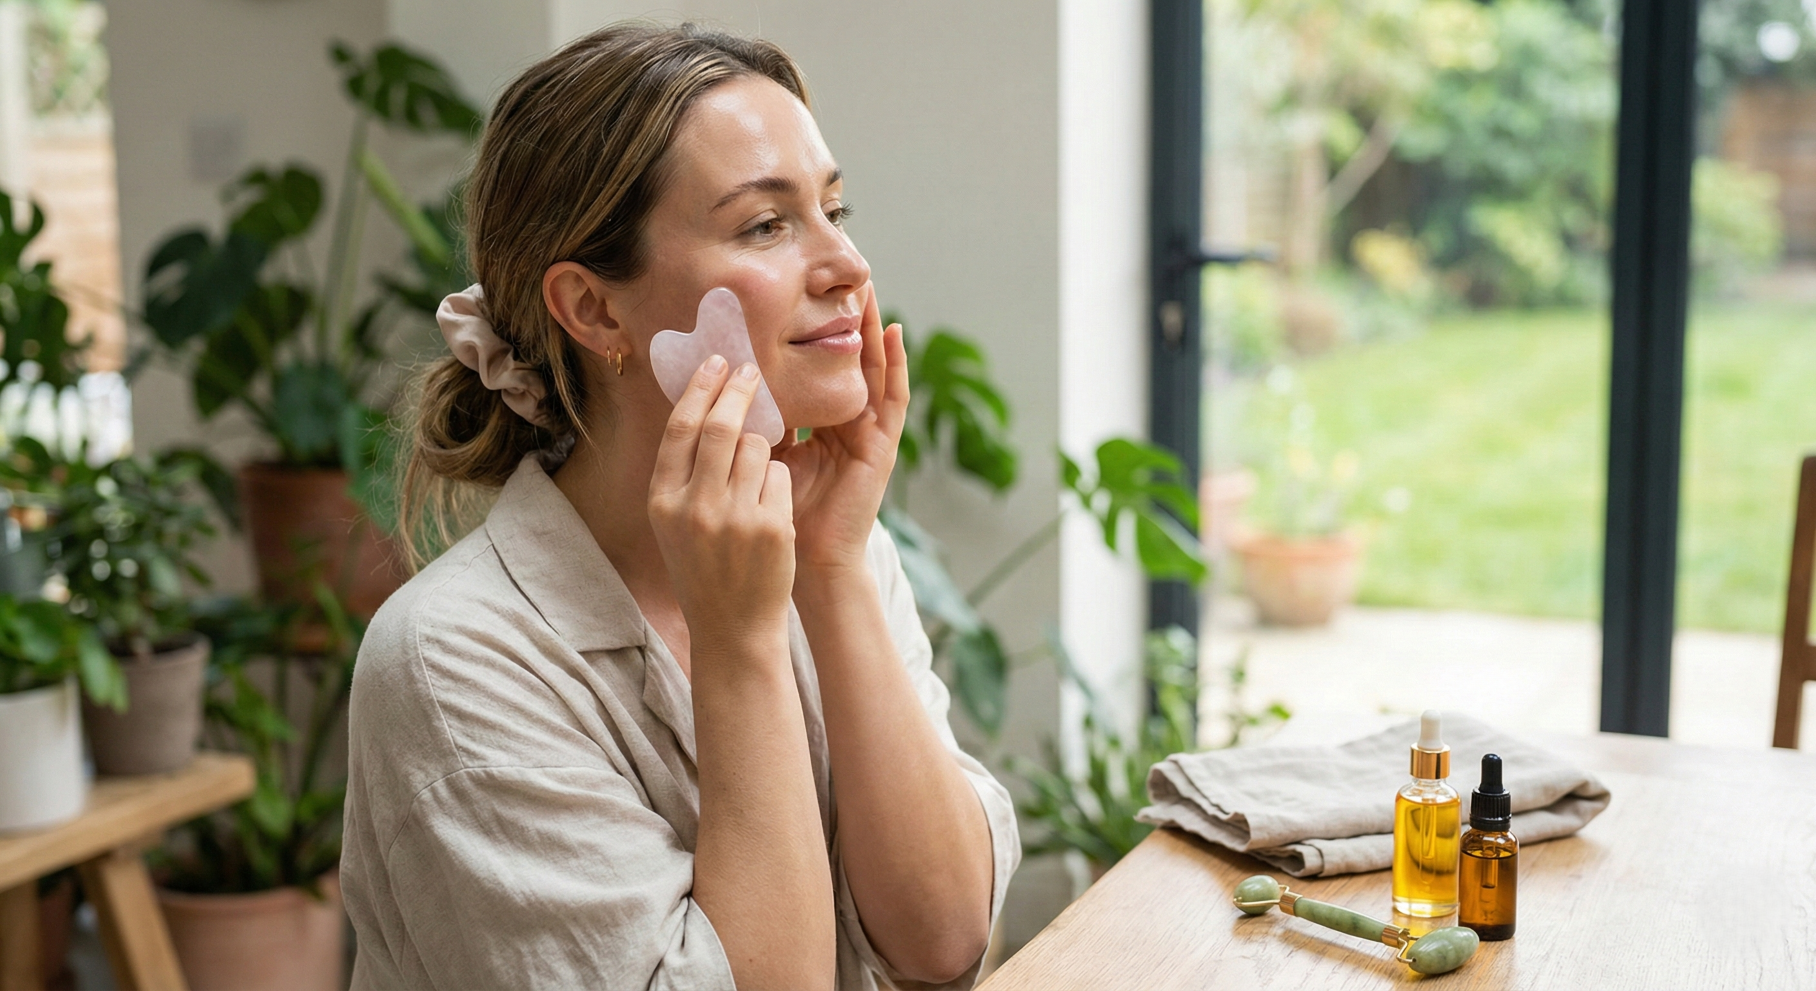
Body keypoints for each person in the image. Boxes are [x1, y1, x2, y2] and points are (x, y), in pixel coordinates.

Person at [339, 21, 1019, 991]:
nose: (847, 266)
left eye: (833, 208)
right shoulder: (450, 662)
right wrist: (738, 645)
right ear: (594, 310)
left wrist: (829, 569)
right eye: (766, 225)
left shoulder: (829, 551)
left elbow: (944, 940)